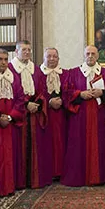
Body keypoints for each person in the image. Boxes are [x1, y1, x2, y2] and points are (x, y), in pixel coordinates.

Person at [61, 45, 105, 187]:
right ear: (83, 55)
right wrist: (80, 94)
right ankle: (78, 177)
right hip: (80, 114)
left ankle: (98, 177)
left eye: (93, 54)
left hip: (99, 113)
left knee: (98, 144)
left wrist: (102, 93)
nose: (90, 56)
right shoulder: (74, 73)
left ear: (97, 56)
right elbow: (66, 93)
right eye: (87, 53)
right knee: (78, 144)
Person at [10, 40, 52, 189]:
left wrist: (38, 104)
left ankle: (33, 179)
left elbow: (42, 90)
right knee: (19, 147)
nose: (27, 52)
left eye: (29, 50)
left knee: (34, 147)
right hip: (19, 113)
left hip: (34, 113)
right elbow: (12, 91)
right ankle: (20, 181)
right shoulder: (10, 69)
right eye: (24, 50)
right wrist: (26, 104)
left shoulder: (36, 69)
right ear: (16, 52)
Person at [0, 48, 25, 196]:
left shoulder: (14, 77)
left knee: (10, 156)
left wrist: (10, 117)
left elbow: (20, 99)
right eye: (0, 59)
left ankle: (10, 186)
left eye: (5, 59)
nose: (3, 62)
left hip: (10, 123)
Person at [40, 47, 67, 180]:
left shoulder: (65, 74)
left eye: (54, 56)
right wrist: (49, 102)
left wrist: (62, 100)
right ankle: (48, 172)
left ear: (58, 58)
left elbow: (69, 91)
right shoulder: (37, 74)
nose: (51, 59)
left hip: (61, 115)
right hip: (44, 114)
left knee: (61, 142)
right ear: (44, 58)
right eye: (48, 56)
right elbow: (36, 93)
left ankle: (60, 171)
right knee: (46, 143)